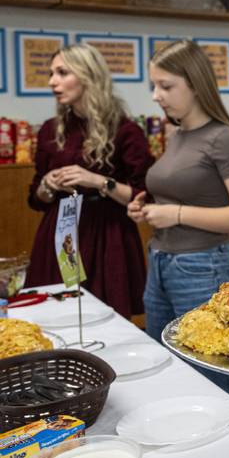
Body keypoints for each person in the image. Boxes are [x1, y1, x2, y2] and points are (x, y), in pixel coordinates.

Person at [128, 40, 229, 407]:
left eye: (166, 86)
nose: (157, 96)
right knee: (170, 369)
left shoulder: (223, 139)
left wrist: (174, 214)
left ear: (195, 84)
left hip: (201, 267)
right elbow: (190, 190)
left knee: (216, 379)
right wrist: (150, 205)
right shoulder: (178, 135)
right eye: (153, 86)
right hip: (161, 261)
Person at [26, 44, 152, 318]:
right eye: (51, 73)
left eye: (62, 72)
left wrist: (98, 181)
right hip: (61, 232)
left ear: (88, 76)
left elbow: (144, 196)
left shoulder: (125, 131)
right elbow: (36, 199)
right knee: (56, 315)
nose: (52, 81)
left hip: (107, 235)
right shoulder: (50, 129)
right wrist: (47, 184)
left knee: (109, 319)